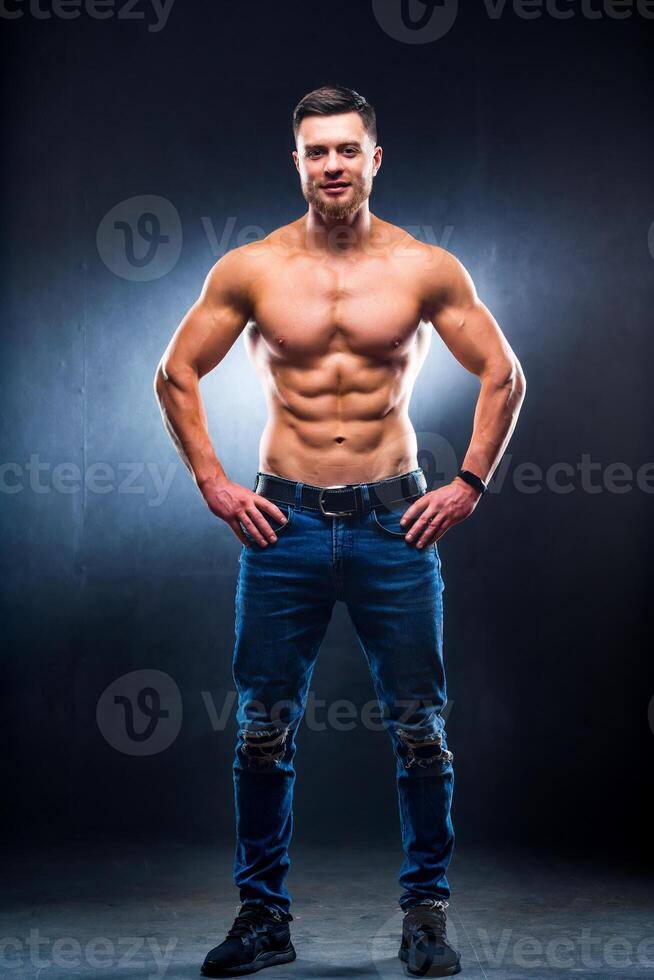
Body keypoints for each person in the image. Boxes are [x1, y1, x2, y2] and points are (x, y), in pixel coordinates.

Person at [154, 84, 526, 978]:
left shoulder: (423, 268)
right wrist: (212, 479)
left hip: (393, 530)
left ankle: (426, 916)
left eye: (346, 150)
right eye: (316, 151)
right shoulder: (251, 268)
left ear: (373, 158)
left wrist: (470, 481)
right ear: (297, 161)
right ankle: (262, 917)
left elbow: (503, 374)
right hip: (281, 529)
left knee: (419, 729)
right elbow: (175, 373)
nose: (331, 165)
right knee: (262, 728)